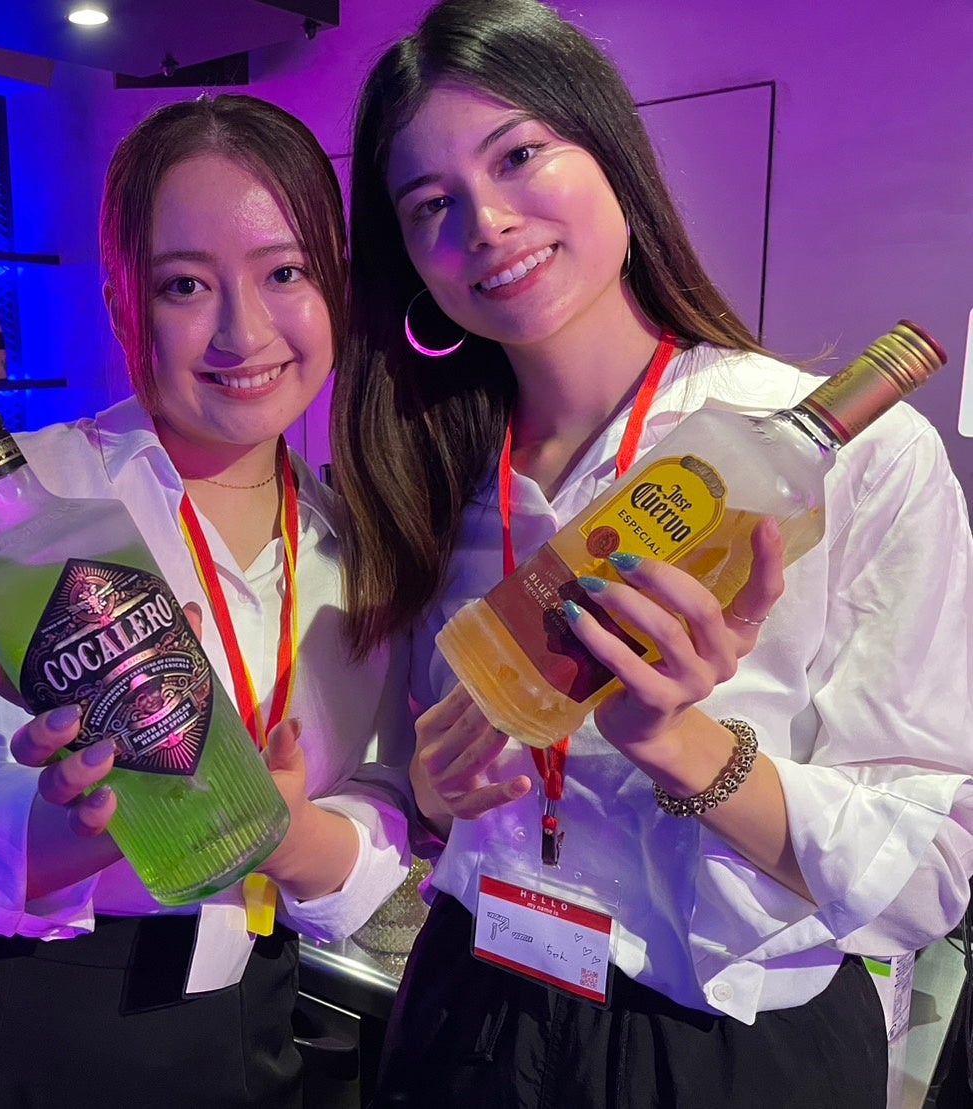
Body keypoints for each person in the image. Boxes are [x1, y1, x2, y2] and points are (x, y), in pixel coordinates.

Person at [329, 1, 973, 1106]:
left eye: (518, 154)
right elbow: (420, 787)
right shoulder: (425, 475)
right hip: (467, 1008)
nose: (486, 221)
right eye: (432, 203)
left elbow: (930, 873)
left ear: (612, 153)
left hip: (717, 1048)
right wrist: (431, 792)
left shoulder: (849, 460)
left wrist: (683, 745)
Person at [0, 94, 414, 1109]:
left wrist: (288, 835)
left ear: (336, 284)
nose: (244, 330)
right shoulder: (18, 500)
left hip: (249, 1003)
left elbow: (380, 793)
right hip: (23, 1011)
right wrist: (78, 823)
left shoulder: (355, 537)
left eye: (285, 272)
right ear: (125, 303)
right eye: (185, 284)